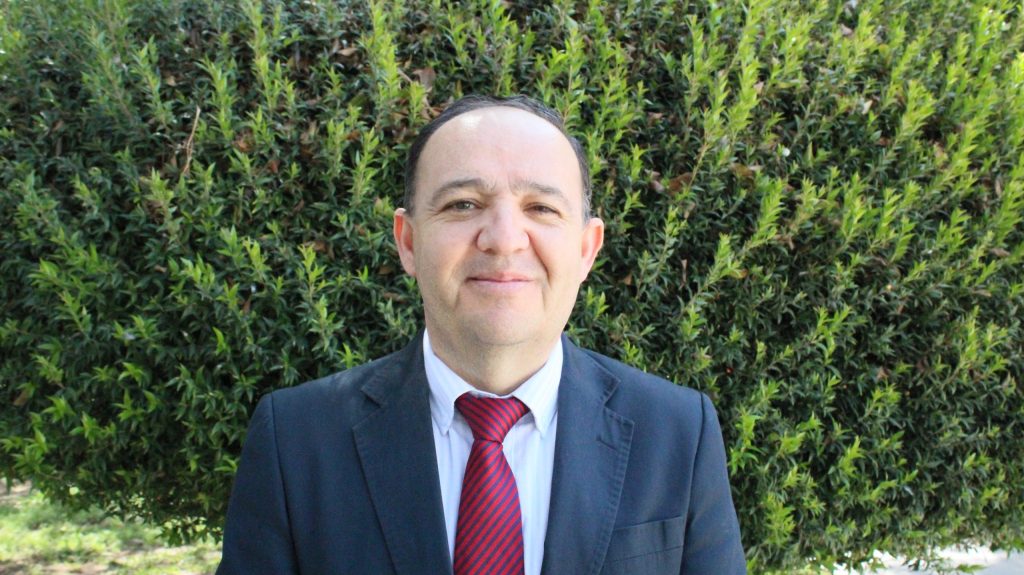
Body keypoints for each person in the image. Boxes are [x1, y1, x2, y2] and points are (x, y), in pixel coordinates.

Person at [217, 95, 746, 575]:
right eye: (463, 204)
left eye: (541, 208)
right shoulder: (296, 440)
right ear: (408, 242)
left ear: (586, 249)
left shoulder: (677, 433)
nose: (504, 239)